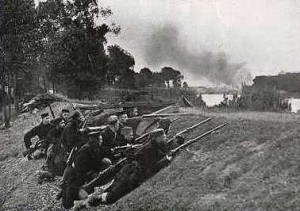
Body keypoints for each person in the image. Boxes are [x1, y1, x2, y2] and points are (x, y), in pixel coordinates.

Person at [88, 128, 173, 206]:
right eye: (163, 137)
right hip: (132, 172)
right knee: (116, 193)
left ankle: (97, 197)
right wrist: (165, 160)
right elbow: (150, 167)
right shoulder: (149, 149)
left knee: (115, 190)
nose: (165, 138)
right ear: (156, 138)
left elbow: (160, 154)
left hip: (133, 170)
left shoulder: (155, 145)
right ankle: (96, 198)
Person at [61, 132, 112, 209]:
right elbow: (80, 168)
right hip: (78, 176)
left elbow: (102, 152)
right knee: (80, 194)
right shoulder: (85, 150)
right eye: (100, 139)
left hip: (85, 173)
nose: (102, 141)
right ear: (95, 141)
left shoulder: (94, 147)